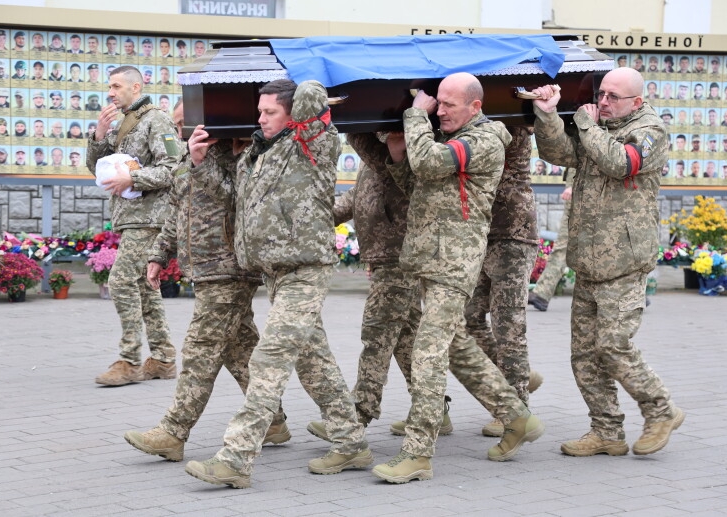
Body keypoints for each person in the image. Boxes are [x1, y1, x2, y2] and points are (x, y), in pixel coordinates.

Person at [183, 79, 371, 488]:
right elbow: (236, 198)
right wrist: (201, 164)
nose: (261, 118)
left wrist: (298, 66)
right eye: (259, 110)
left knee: (269, 359)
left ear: (293, 113)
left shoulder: (313, 143)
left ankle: (235, 457)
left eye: (270, 112)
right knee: (313, 359)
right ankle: (351, 441)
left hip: (304, 269)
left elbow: (310, 93)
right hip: (273, 271)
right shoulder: (256, 151)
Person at [372, 73, 542, 484]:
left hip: (454, 264)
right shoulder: (449, 139)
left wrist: (414, 116)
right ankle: (515, 415)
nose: (439, 111)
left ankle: (418, 453)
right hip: (430, 258)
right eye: (438, 103)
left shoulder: (484, 140)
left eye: (448, 105)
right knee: (458, 349)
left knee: (428, 355)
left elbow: (430, 164)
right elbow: (422, 183)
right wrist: (397, 154)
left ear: (475, 106)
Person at [123, 99, 291, 464]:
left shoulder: (240, 149)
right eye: (178, 124)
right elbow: (177, 208)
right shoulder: (189, 152)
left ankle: (173, 431)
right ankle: (274, 420)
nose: (178, 130)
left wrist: (201, 165)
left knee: (200, 350)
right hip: (204, 267)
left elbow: (241, 202)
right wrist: (159, 253)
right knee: (239, 347)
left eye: (184, 122)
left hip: (229, 266)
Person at [530, 67, 683, 458]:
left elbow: (621, 163)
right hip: (588, 258)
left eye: (614, 96)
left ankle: (661, 410)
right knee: (583, 354)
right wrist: (548, 116)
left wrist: (586, 123)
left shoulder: (650, 130)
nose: (604, 102)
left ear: (636, 100)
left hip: (624, 261)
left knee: (613, 345)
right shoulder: (598, 124)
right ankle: (606, 431)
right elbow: (558, 152)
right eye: (602, 95)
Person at [306, 132, 424, 441]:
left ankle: (358, 412)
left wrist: (350, 120)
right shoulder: (377, 150)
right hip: (387, 256)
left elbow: (377, 161)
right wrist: (313, 219)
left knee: (377, 333)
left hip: (398, 256)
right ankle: (433, 408)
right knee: (404, 338)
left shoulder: (400, 147)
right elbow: (356, 197)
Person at [86, 66, 180, 386]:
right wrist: (99, 135)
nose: (110, 93)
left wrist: (134, 177)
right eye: (109, 87)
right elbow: (98, 170)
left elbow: (174, 169)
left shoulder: (158, 120)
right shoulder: (124, 122)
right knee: (143, 288)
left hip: (151, 218)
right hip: (131, 217)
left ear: (135, 87)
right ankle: (164, 359)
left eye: (116, 86)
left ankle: (129, 360)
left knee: (121, 281)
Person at [463, 127, 543, 438]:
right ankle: (516, 375)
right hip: (479, 231)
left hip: (512, 232)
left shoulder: (508, 120)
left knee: (507, 323)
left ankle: (516, 407)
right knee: (468, 318)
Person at [529, 172, 573, 312]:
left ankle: (632, 293)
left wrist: (575, 186)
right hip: (579, 199)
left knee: (605, 249)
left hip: (588, 198)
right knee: (562, 248)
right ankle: (542, 293)